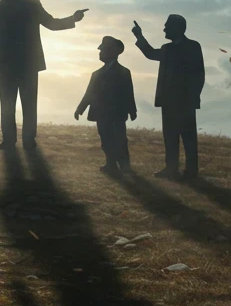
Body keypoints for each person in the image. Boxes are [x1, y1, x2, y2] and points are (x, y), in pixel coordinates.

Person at [0, 0, 87, 150]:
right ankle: (26, 140)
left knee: (12, 105)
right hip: (24, 65)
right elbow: (52, 24)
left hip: (9, 65)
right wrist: (73, 19)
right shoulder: (29, 5)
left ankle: (14, 140)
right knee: (27, 105)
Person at [131, 13, 204, 180]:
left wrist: (193, 97)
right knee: (170, 136)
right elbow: (150, 53)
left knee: (188, 138)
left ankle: (191, 171)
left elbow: (199, 75)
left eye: (167, 25)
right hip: (169, 101)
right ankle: (171, 169)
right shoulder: (167, 48)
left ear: (176, 28)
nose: (164, 28)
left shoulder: (193, 47)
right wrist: (139, 36)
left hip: (185, 101)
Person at [74, 36, 137, 175]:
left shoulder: (123, 72)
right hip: (102, 114)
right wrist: (80, 108)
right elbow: (89, 93)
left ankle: (124, 165)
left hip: (116, 113)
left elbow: (128, 93)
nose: (100, 53)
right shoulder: (96, 74)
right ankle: (111, 163)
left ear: (112, 52)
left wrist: (132, 110)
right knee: (105, 139)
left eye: (103, 50)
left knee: (120, 139)